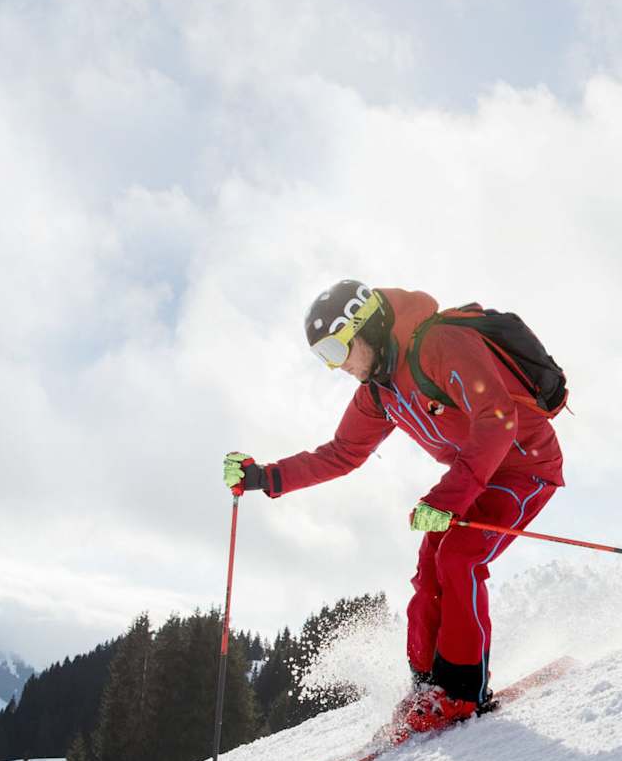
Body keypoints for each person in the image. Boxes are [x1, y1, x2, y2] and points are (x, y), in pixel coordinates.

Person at [224, 281, 564, 732]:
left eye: (334, 349)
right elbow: (341, 453)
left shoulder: (440, 344)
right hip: (475, 476)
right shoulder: (378, 393)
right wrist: (265, 476)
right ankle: (427, 686)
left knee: (459, 555)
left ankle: (464, 694)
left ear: (367, 327)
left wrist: (446, 498)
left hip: (525, 468)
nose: (335, 366)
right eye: (323, 357)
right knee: (430, 564)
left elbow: (497, 420)